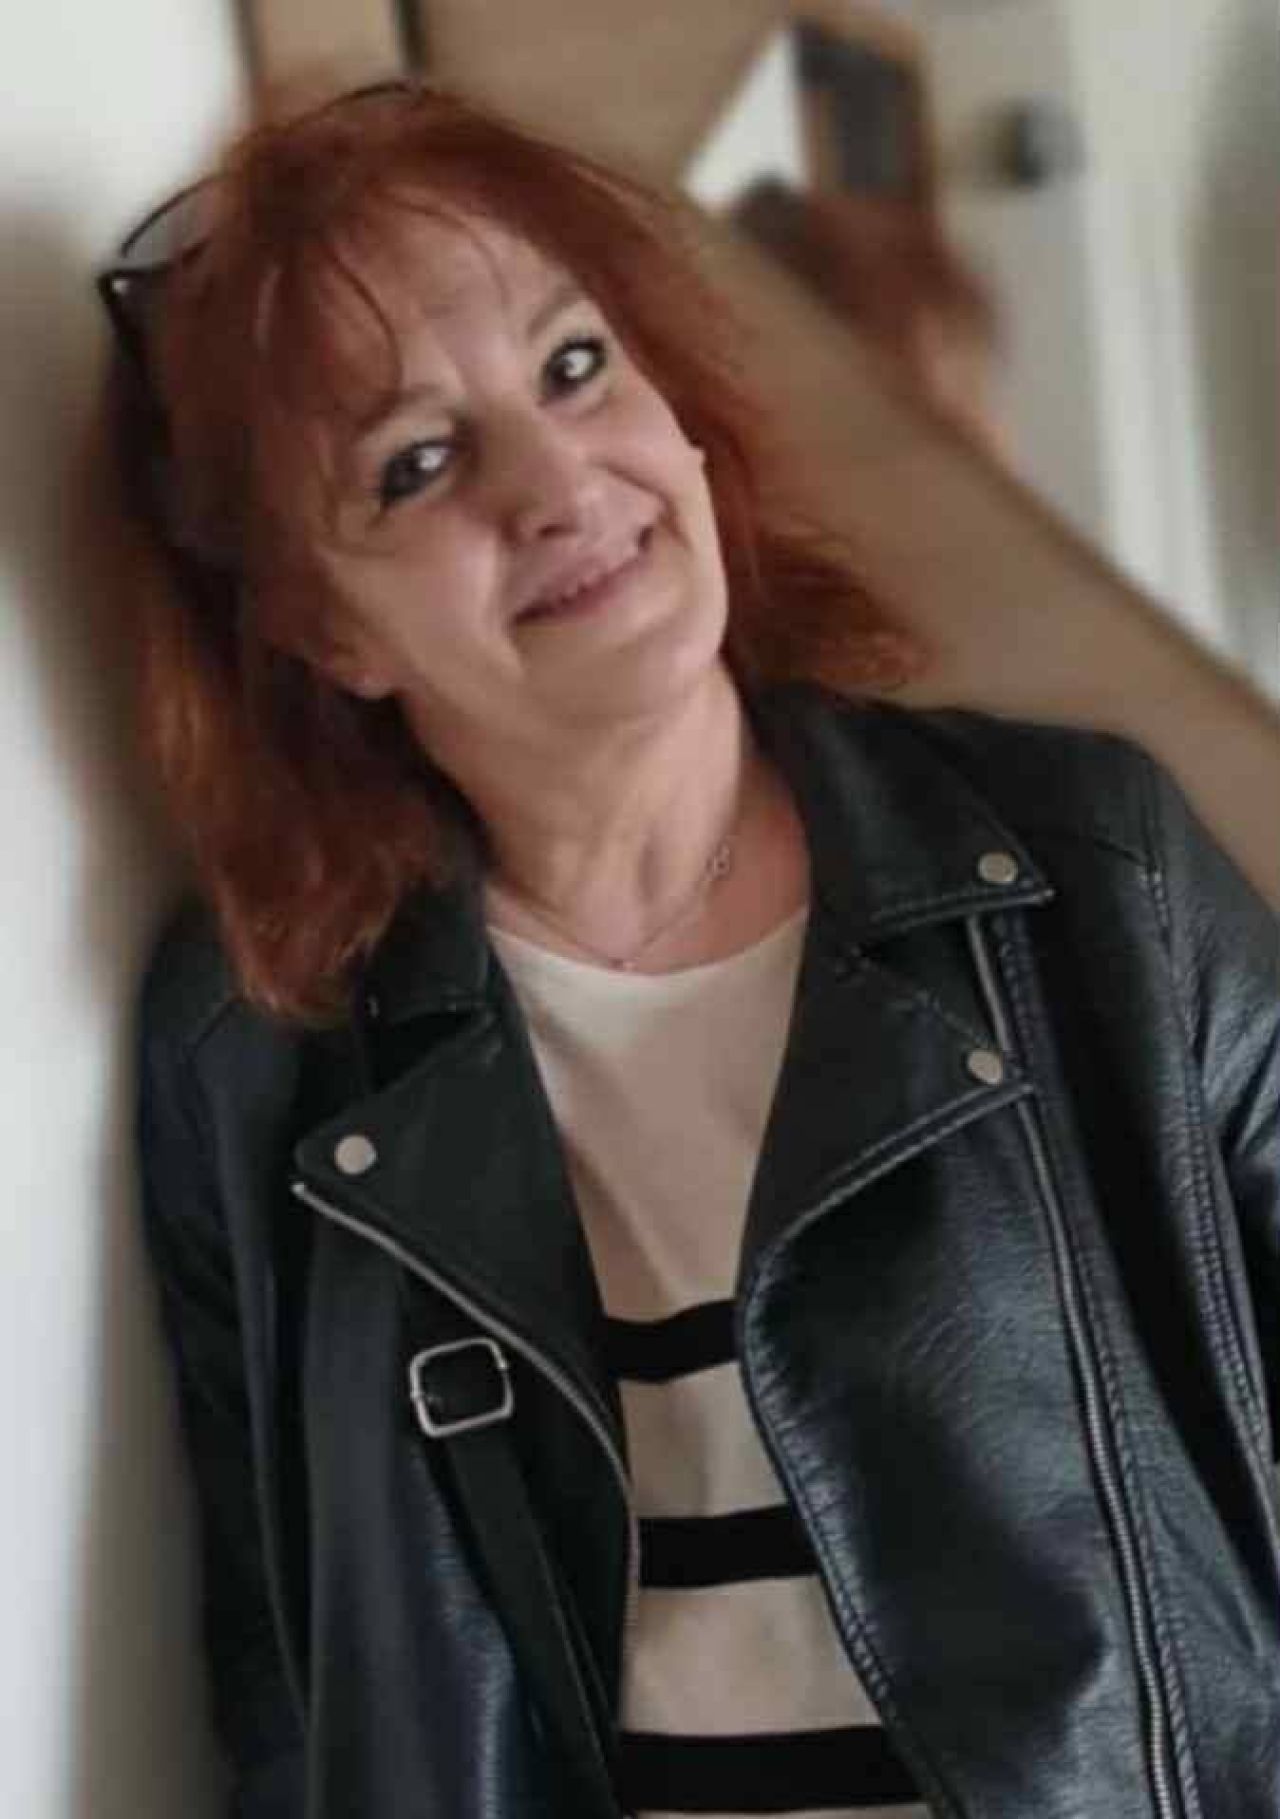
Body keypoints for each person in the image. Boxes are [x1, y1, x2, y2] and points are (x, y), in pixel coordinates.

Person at [102, 80, 1280, 1819]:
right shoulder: (257, 1046)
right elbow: (294, 1680)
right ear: (324, 628)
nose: (556, 481)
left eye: (576, 365)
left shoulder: (1091, 873)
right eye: (417, 463)